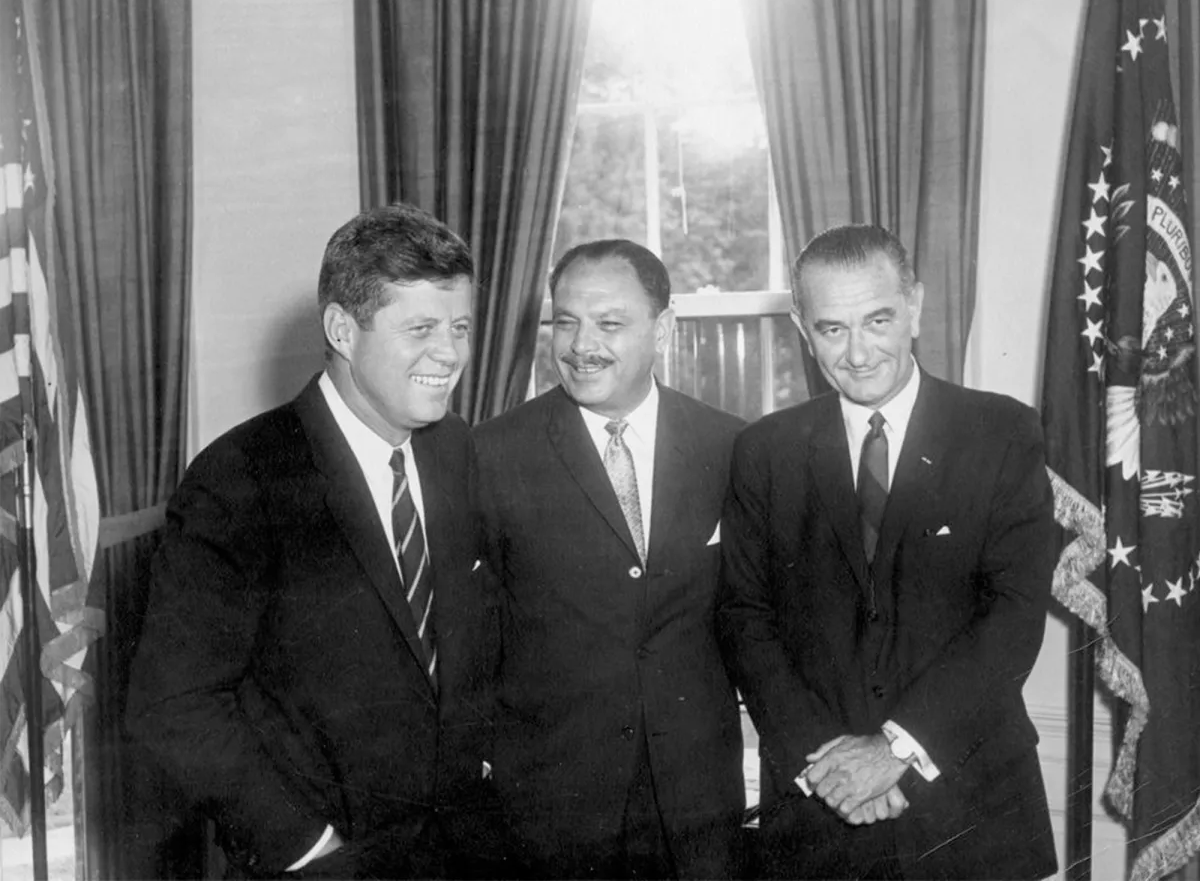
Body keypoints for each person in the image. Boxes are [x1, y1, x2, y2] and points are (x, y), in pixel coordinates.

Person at [126, 203, 497, 878]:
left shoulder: (458, 450)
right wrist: (305, 848)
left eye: (461, 327)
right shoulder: (239, 478)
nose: (450, 354)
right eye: (420, 328)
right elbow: (173, 708)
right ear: (341, 329)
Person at [717, 224, 1058, 880]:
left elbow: (1012, 617)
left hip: (972, 811)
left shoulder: (1002, 432)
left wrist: (896, 748)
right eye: (831, 328)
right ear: (801, 326)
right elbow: (743, 617)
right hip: (819, 810)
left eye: (878, 319)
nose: (858, 352)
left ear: (916, 307)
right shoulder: (765, 451)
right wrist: (836, 767)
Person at [474, 240, 746, 879]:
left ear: (665, 328)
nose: (580, 344)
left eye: (610, 324)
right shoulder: (490, 455)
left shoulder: (732, 447)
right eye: (565, 321)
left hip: (698, 806)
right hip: (551, 813)